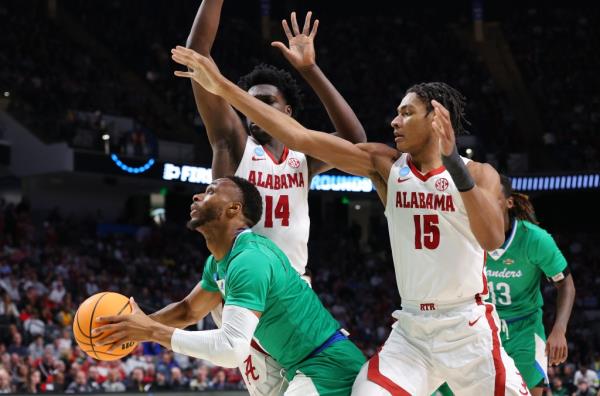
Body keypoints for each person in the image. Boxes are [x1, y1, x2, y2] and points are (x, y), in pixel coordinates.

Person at [170, 49, 531, 395]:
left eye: (406, 113)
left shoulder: (481, 174)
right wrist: (223, 87)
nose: (394, 121)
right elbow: (300, 136)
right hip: (412, 331)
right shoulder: (385, 165)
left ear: (436, 119)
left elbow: (492, 238)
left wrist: (453, 163)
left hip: (468, 328)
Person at [186, 3, 365, 393]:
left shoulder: (304, 157)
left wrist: (310, 70)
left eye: (265, 102)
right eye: (249, 102)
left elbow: (356, 143)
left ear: (287, 111)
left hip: (294, 290)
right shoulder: (234, 145)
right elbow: (199, 55)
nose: (254, 110)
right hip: (249, 289)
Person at [93, 176, 366, 396]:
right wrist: (133, 329)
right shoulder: (219, 261)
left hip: (329, 366)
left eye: (210, 191)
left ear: (234, 209)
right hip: (303, 366)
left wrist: (151, 330)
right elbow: (188, 311)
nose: (197, 196)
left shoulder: (250, 259)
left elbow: (230, 348)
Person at [484, 175, 576, 395]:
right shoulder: (467, 236)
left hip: (524, 330)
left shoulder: (535, 239)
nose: (485, 202)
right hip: (481, 327)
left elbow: (566, 285)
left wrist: (559, 330)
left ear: (509, 202)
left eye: (492, 197)